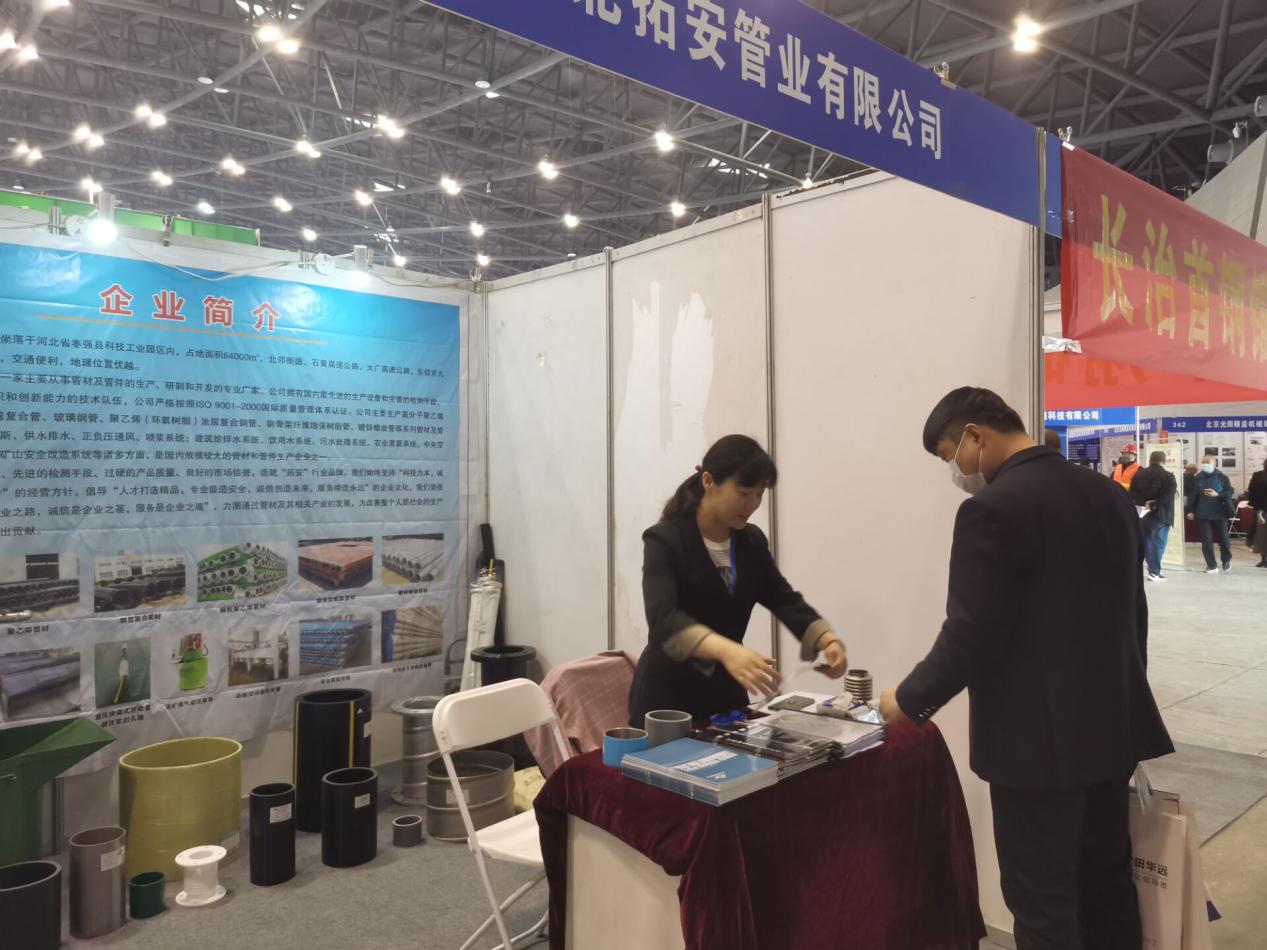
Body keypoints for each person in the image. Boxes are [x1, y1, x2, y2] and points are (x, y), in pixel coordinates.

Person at [878, 387, 1172, 950]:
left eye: (951, 456)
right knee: (1107, 890)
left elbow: (969, 634)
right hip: (1112, 731)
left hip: (1034, 751)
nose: (957, 472)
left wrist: (908, 699)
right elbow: (1133, 614)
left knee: (1042, 905)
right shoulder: (1107, 496)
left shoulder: (991, 510)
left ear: (975, 435)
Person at [629, 435, 848, 725]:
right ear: (709, 481)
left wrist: (825, 638)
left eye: (760, 494)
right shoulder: (665, 540)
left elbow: (782, 597)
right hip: (667, 700)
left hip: (725, 694)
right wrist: (729, 651)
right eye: (744, 492)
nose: (752, 504)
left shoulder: (751, 542)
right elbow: (663, 619)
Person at [1131, 451, 1177, 582]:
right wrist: (1154, 504)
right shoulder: (1169, 477)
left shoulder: (1138, 475)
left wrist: (1144, 503)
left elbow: (1132, 494)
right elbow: (1169, 496)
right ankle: (1154, 572)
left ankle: (1153, 570)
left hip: (1143, 513)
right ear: (1164, 461)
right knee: (1158, 544)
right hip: (1162, 514)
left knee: (1147, 542)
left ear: (1150, 460)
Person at [1187, 456, 1236, 573]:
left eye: (1208, 463)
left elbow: (1230, 492)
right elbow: (1193, 496)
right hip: (1203, 514)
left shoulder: (1222, 477)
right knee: (1206, 541)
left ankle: (1226, 560)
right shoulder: (1197, 478)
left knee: (1224, 540)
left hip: (1220, 513)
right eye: (1203, 462)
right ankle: (1211, 565)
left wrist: (1217, 494)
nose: (1205, 465)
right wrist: (1191, 510)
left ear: (1214, 464)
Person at [1247, 460, 1267, 568]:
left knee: (1262, 535)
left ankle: (1264, 559)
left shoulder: (1257, 476)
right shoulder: (1258, 476)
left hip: (1260, 509)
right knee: (1262, 536)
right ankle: (1264, 559)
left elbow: (1251, 491)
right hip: (1261, 509)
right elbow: (1252, 491)